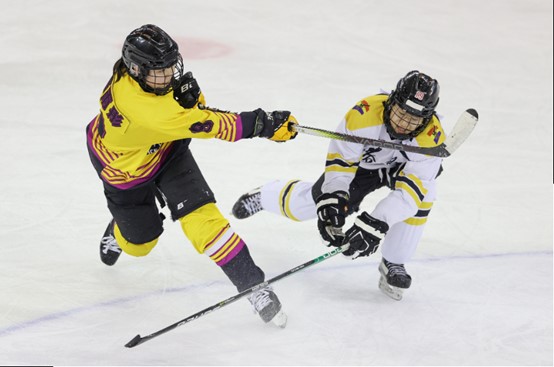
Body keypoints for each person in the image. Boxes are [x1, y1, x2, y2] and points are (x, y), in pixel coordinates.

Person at [86, 24, 297, 327]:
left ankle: (254, 286)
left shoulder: (134, 77)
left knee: (205, 221)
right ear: (135, 68)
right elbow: (209, 124)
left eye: (171, 65)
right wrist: (263, 125)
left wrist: (191, 101)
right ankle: (120, 231)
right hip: (125, 174)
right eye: (160, 70)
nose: (170, 74)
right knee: (140, 244)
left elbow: (189, 115)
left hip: (165, 151)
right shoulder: (144, 109)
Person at [232, 70, 443, 301]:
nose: (404, 125)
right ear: (392, 101)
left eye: (414, 120)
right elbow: (341, 164)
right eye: (401, 113)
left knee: (424, 196)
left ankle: (394, 261)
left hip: (401, 171)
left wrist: (377, 223)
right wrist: (333, 199)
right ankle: (265, 196)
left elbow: (411, 193)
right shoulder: (363, 114)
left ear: (426, 119)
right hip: (363, 168)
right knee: (311, 205)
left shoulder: (432, 138)